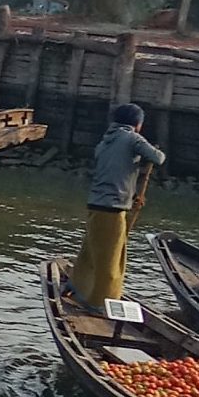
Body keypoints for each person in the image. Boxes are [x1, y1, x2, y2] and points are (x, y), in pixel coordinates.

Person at [71, 103, 167, 308]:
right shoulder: (132, 138)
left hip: (96, 204)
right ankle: (101, 303)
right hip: (112, 207)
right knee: (112, 259)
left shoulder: (106, 140)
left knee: (92, 250)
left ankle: (79, 287)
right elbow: (158, 158)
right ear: (137, 124)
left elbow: (118, 167)